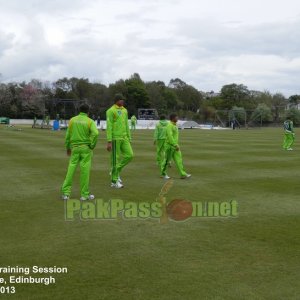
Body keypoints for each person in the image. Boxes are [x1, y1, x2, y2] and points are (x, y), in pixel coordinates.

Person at [61, 104, 99, 201]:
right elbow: (95, 133)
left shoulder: (72, 120)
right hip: (85, 149)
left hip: (74, 148)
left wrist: (67, 147)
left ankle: (66, 193)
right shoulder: (90, 121)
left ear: (79, 110)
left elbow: (68, 135)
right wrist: (92, 145)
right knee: (85, 172)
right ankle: (84, 195)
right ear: (88, 111)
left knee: (71, 169)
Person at [106, 94, 133, 188]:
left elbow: (126, 124)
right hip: (115, 138)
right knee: (115, 160)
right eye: (121, 100)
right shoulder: (110, 111)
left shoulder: (125, 110)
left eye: (123, 100)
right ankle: (114, 182)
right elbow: (109, 126)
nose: (122, 101)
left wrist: (129, 137)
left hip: (124, 137)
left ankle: (115, 171)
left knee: (130, 155)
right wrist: (109, 141)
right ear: (116, 100)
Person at [161, 113, 191, 179]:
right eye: (176, 117)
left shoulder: (175, 125)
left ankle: (183, 174)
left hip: (175, 146)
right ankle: (163, 174)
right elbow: (170, 136)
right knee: (167, 161)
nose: (177, 118)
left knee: (179, 160)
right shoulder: (169, 126)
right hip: (169, 146)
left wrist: (176, 145)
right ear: (172, 118)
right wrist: (175, 144)